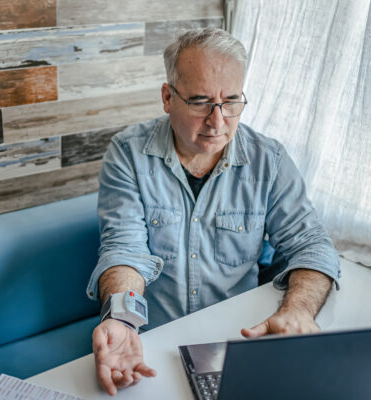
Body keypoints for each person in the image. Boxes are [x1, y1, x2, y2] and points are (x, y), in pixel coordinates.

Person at [85, 27, 341, 396]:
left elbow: (312, 246)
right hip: (155, 345)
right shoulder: (128, 154)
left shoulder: (269, 161)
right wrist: (122, 321)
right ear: (167, 97)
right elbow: (125, 251)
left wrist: (299, 310)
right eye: (201, 101)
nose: (218, 122)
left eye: (231, 101)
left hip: (239, 342)